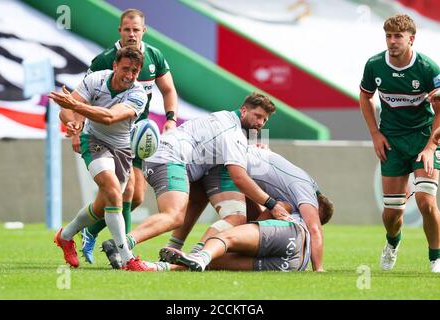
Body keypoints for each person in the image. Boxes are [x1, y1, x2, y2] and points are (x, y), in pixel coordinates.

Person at [101, 92, 292, 270]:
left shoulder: (225, 118)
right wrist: (272, 204)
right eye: (258, 116)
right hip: (169, 158)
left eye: (264, 120)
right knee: (174, 216)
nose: (260, 123)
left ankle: (183, 252)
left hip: (174, 158)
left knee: (206, 201)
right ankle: (120, 244)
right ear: (243, 111)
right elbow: (239, 177)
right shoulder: (233, 133)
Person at [77, 8, 179, 264]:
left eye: (136, 29)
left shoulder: (154, 56)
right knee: (123, 193)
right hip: (107, 134)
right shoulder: (104, 59)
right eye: (127, 29)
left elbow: (168, 89)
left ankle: (90, 230)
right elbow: (81, 99)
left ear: (143, 31)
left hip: (137, 134)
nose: (132, 34)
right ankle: (124, 255)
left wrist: (170, 119)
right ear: (120, 31)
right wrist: (76, 131)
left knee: (135, 199)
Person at [51, 46, 149, 271]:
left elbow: (110, 117)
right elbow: (65, 110)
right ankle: (128, 259)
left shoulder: (138, 94)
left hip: (123, 149)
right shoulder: (96, 79)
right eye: (125, 68)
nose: (129, 75)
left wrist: (77, 107)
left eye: (135, 71)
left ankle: (65, 235)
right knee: (114, 192)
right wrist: (72, 123)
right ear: (114, 66)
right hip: (93, 140)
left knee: (103, 204)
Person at [159, 146, 333, 272]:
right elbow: (269, 213)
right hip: (296, 263)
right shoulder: (296, 190)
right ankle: (165, 266)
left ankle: (197, 252)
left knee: (231, 225)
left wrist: (319, 268)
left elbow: (314, 228)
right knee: (216, 262)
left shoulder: (301, 193)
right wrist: (316, 269)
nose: (310, 215)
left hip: (288, 233)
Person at [359, 14, 440, 272]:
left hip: (422, 139)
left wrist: (430, 147)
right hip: (392, 140)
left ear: (411, 39)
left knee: (427, 203)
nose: (392, 42)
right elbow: (365, 96)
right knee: (393, 214)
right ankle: (392, 243)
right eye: (388, 36)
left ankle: (435, 258)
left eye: (398, 37)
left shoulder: (428, 68)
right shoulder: (374, 65)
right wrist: (375, 134)